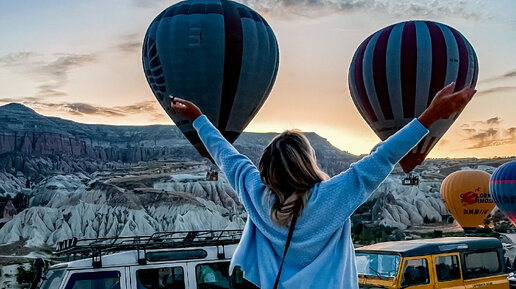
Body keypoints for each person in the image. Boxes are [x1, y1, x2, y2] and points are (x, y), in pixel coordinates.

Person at [171, 82, 476, 289]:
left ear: (267, 170)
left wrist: (198, 119)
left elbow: (227, 156)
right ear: (309, 162)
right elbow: (383, 157)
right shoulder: (332, 198)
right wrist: (431, 116)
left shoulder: (256, 195)